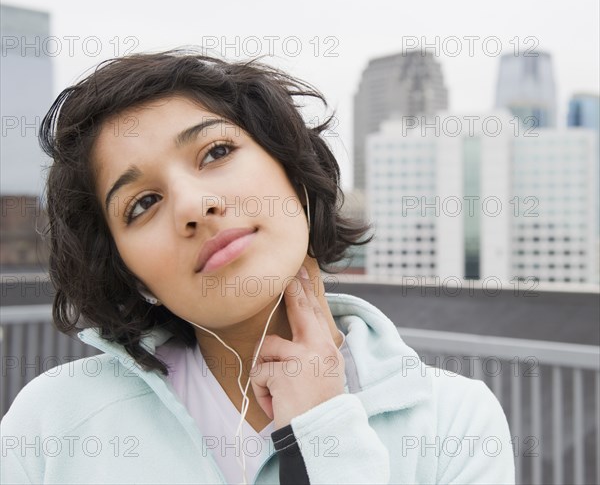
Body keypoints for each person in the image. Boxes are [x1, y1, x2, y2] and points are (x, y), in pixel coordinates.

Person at [0, 49, 515, 484]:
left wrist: (322, 431)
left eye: (216, 151)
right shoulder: (51, 423)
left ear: (292, 168)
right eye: (142, 203)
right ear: (131, 273)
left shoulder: (454, 420)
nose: (192, 206)